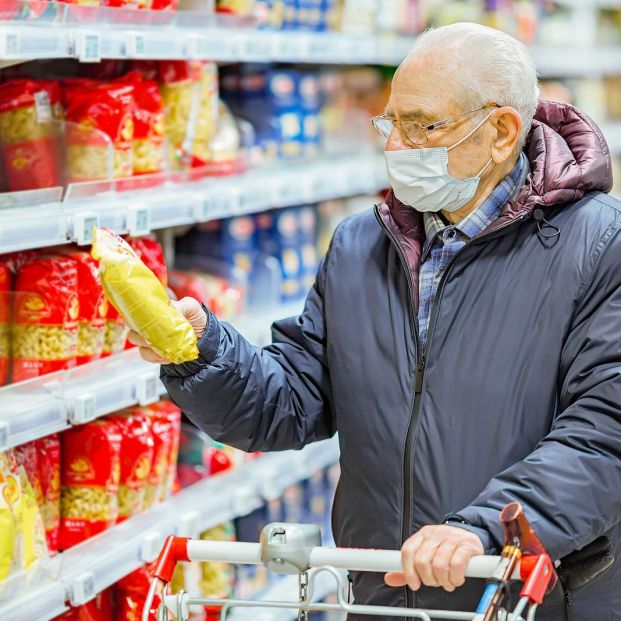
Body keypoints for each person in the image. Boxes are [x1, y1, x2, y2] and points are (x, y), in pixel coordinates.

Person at [133, 22, 621, 620]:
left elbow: (604, 435)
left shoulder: (599, 246)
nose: (396, 147)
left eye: (423, 125)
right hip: (384, 596)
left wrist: (481, 530)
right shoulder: (360, 245)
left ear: (500, 133)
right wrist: (202, 349)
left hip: (527, 595)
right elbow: (288, 404)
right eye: (392, 123)